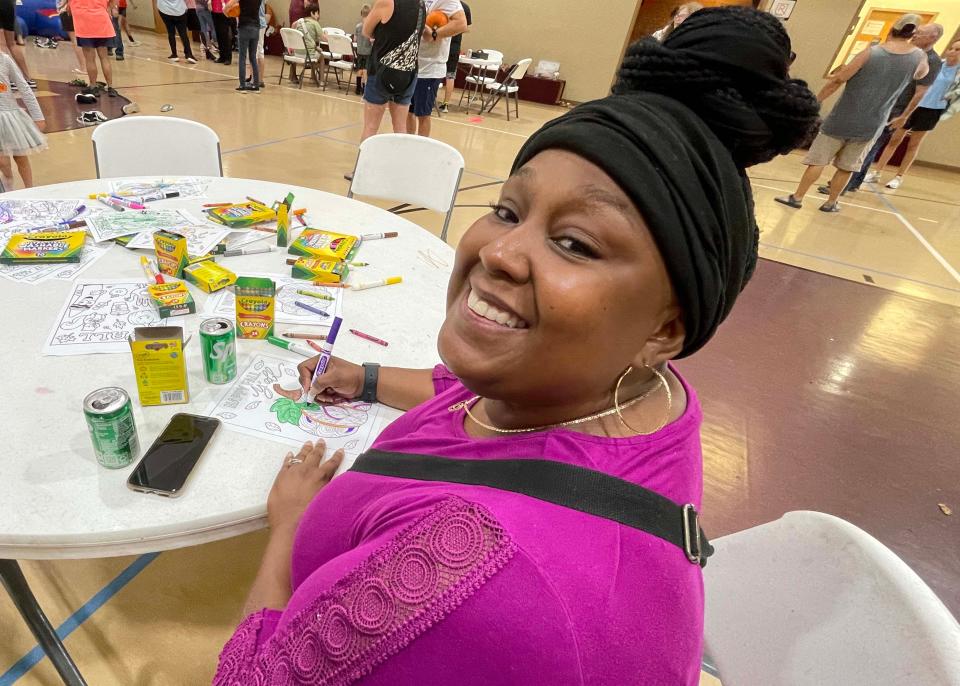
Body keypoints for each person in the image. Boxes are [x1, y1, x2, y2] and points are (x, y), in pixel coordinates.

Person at [214, 8, 819, 685]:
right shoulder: (629, 391)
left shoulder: (472, 581)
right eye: (508, 210)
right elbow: (464, 398)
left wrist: (289, 533)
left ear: (666, 328)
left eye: (575, 243)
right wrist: (368, 376)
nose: (498, 251)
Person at [776, 14, 926, 213]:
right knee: (847, 166)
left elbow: (839, 79)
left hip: (842, 118)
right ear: (913, 34)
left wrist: (816, 101)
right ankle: (831, 202)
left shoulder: (871, 53)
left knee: (818, 160)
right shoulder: (918, 58)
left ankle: (797, 197)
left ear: (891, 29)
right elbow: (922, 75)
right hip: (873, 122)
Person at [825, 22, 943, 196]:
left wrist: (904, 115)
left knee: (870, 146)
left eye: (921, 32)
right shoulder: (905, 52)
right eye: (916, 31)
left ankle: (848, 184)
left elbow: (920, 92)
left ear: (933, 38)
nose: (915, 34)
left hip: (895, 110)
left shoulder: (931, 61)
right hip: (879, 104)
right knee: (863, 144)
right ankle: (844, 182)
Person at [345, 0, 426, 181]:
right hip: (408, 72)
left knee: (371, 126)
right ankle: (399, 172)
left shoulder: (387, 2)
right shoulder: (421, 5)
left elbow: (366, 30)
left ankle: (361, 171)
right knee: (400, 127)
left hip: (382, 70)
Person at [869, 40, 960, 190]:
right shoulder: (936, 64)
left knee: (913, 144)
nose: (952, 52)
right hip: (913, 107)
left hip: (932, 110)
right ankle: (877, 171)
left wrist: (950, 96)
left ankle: (899, 176)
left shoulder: (958, 73)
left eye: (957, 50)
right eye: (951, 48)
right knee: (895, 139)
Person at [407, 0, 467, 137]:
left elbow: (461, 24)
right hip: (410, 63)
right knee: (407, 110)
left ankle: (421, 146)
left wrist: (435, 34)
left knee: (422, 114)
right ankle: (408, 143)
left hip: (430, 67)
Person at [0, 52, 46, 188]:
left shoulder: (5, 60)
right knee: (2, 162)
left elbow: (24, 87)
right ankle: (8, 186)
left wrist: (38, 116)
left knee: (20, 156)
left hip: (10, 117)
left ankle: (29, 189)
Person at [72, 0, 120, 96]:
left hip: (84, 22)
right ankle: (110, 87)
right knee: (104, 57)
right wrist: (110, 8)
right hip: (101, 20)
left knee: (90, 59)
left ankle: (93, 87)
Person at [438, 0, 468, 112]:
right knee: (450, 75)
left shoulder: (443, 5)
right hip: (455, 46)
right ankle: (445, 104)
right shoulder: (465, 7)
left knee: (438, 72)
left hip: (442, 43)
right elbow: (465, 27)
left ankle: (431, 100)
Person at [225, 0, 260, 92]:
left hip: (244, 26)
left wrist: (226, 13)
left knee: (242, 57)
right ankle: (256, 85)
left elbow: (228, 5)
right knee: (253, 57)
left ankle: (242, 85)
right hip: (256, 26)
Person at [0, 0, 35, 88]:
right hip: (8, 4)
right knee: (11, 44)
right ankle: (28, 78)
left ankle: (7, 79)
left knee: (1, 44)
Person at [57, 0, 88, 76]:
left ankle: (84, 68)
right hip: (82, 10)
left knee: (75, 40)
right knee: (81, 39)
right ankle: (86, 66)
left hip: (69, 10)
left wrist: (61, 6)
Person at [354, 4, 372, 95]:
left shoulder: (358, 26)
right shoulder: (371, 27)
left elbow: (355, 40)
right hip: (368, 52)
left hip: (359, 51)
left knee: (359, 69)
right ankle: (365, 89)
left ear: (361, 14)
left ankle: (357, 88)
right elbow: (372, 40)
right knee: (365, 70)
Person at [211, 0, 233, 65]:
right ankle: (222, 56)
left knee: (225, 35)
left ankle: (228, 58)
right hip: (215, 10)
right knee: (218, 35)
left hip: (224, 11)